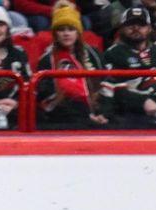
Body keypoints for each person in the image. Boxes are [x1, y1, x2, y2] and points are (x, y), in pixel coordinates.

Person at [95, 7, 156, 128]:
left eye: (141, 24)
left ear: (150, 28)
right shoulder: (113, 53)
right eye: (130, 24)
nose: (136, 28)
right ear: (122, 29)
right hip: (131, 113)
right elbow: (112, 88)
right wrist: (142, 101)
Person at [36, 0, 106, 129]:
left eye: (71, 29)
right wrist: (86, 114)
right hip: (64, 116)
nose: (66, 33)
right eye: (61, 30)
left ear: (78, 32)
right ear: (55, 33)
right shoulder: (47, 60)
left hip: (97, 111)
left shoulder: (93, 53)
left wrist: (102, 112)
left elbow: (105, 84)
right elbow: (45, 97)